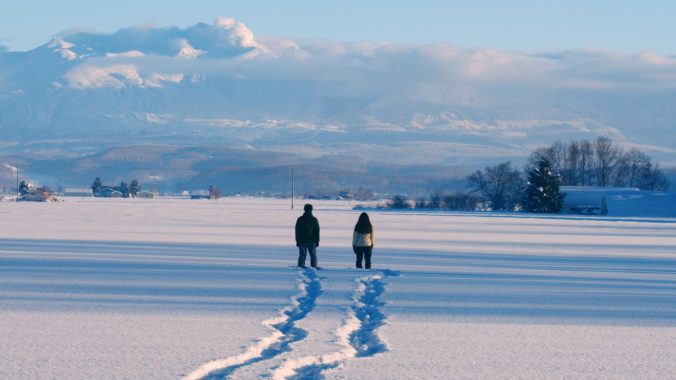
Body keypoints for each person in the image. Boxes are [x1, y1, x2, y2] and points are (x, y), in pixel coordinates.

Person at [295, 203, 320, 268]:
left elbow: (297, 231)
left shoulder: (300, 219)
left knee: (302, 255)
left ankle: (300, 267)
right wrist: (317, 241)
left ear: (304, 209)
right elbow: (317, 231)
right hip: (312, 241)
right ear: (311, 210)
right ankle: (314, 267)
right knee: (313, 255)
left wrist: (297, 241)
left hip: (302, 240)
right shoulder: (314, 219)